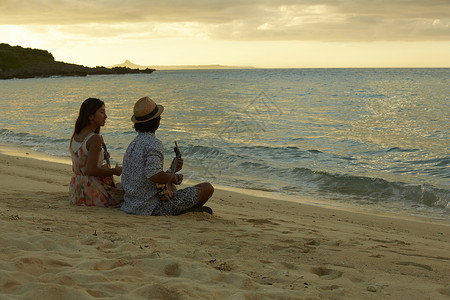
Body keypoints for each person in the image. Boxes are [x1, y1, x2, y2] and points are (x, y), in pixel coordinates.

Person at [121, 96, 214, 216]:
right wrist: (174, 177)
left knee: (178, 190)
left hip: (130, 205)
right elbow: (153, 175)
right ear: (157, 121)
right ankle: (184, 212)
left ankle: (185, 210)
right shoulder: (154, 143)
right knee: (207, 188)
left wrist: (171, 171)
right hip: (152, 208)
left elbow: (148, 176)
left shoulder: (133, 143)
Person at [69, 98, 124, 207]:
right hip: (92, 190)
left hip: (77, 190)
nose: (106, 116)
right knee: (126, 194)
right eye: (102, 112)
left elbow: (82, 161)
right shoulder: (94, 138)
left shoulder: (76, 135)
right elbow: (91, 170)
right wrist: (115, 171)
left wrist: (100, 157)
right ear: (91, 116)